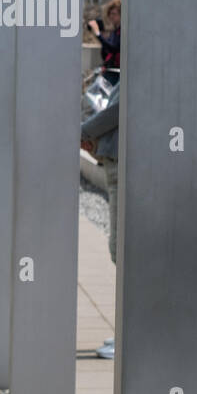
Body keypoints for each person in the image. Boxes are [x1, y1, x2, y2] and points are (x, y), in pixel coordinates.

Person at [81, 77, 120, 359]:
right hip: (115, 163)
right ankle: (127, 331)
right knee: (119, 250)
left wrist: (84, 132)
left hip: (123, 166)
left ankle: (131, 334)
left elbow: (117, 111)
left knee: (123, 251)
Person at [87, 0, 121, 82]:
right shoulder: (114, 31)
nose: (111, 16)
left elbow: (113, 48)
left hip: (116, 74)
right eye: (110, 14)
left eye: (114, 14)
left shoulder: (121, 32)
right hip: (110, 71)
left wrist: (98, 34)